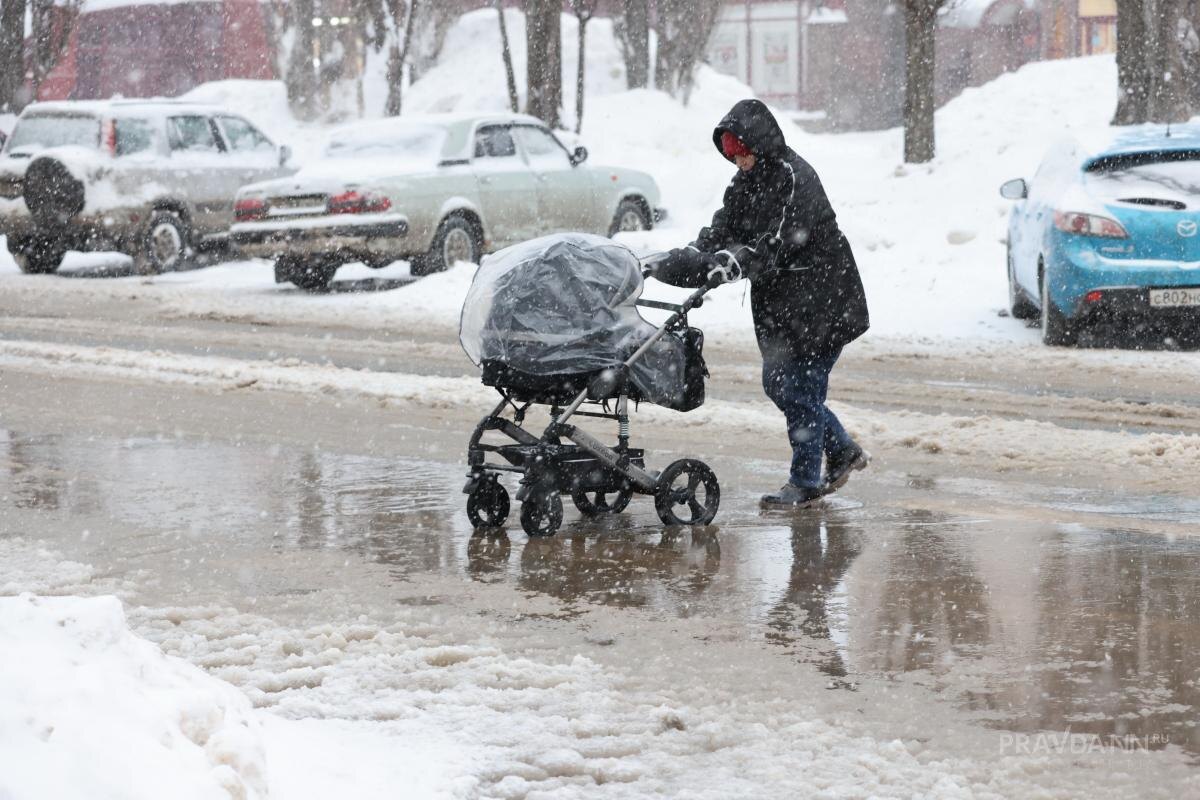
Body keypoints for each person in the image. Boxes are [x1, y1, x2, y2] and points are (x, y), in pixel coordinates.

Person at [651, 99, 870, 507]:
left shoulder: (794, 177)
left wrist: (736, 262)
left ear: (759, 142)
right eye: (730, 154)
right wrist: (690, 258)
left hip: (822, 299)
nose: (739, 160)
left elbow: (777, 242)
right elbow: (723, 230)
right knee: (779, 383)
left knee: (802, 389)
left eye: (742, 151)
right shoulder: (743, 184)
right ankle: (842, 450)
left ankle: (804, 481)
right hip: (782, 304)